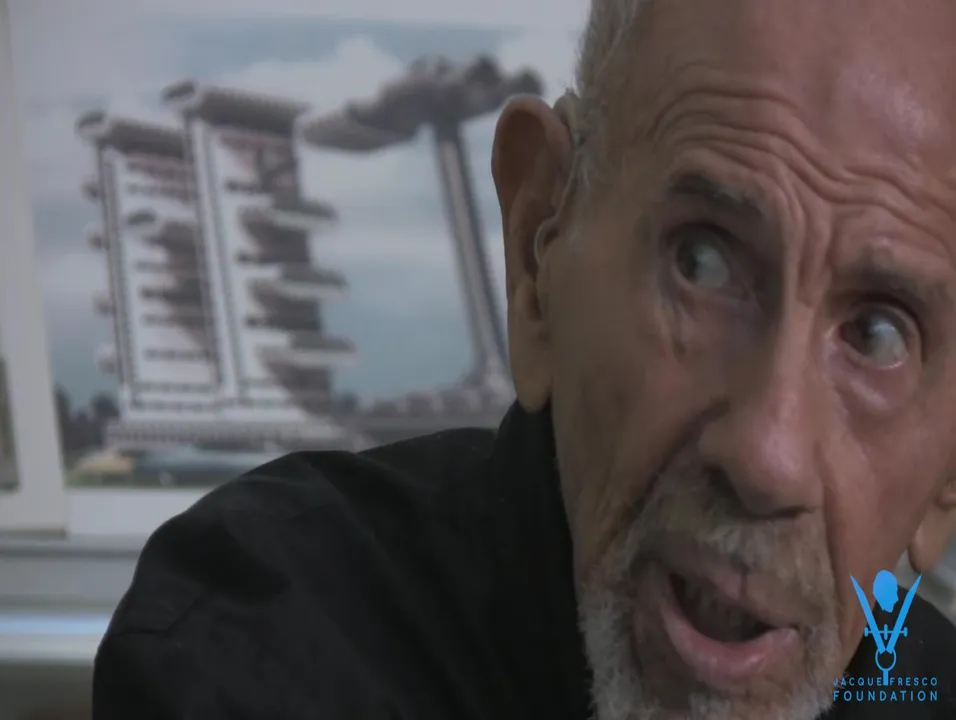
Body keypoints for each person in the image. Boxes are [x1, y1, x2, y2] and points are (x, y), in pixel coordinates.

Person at [93, 0, 956, 718]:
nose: (768, 456)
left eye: (878, 335)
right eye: (703, 262)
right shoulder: (261, 647)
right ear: (540, 245)